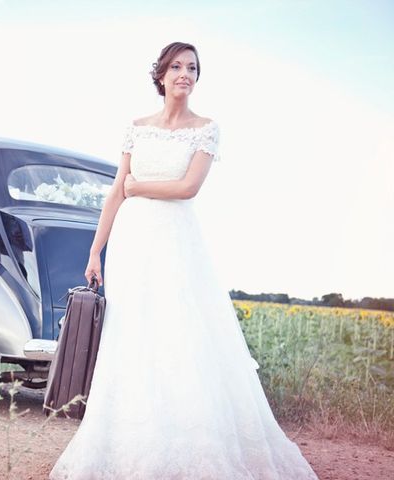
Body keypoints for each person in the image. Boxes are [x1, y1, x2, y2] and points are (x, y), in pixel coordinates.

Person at [50, 43, 318, 479]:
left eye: (192, 68)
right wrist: (96, 249)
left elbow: (188, 188)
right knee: (134, 334)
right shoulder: (136, 127)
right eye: (176, 66)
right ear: (160, 75)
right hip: (133, 242)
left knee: (180, 332)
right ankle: (130, 445)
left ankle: (193, 447)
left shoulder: (206, 128)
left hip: (176, 241)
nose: (184, 74)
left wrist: (139, 187)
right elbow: (117, 190)